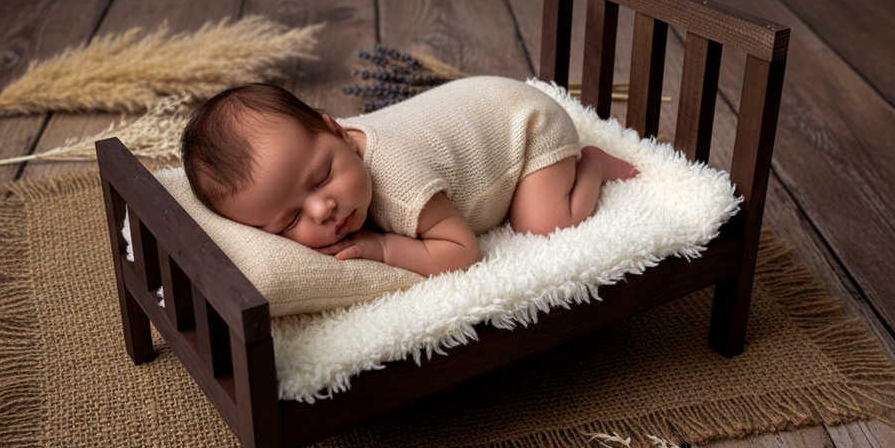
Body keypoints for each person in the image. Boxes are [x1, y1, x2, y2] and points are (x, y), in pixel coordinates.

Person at [180, 76, 638, 277]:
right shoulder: (330, 150)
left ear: (337, 128)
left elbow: (464, 252)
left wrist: (384, 247)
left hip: (526, 125)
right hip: (482, 103)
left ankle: (592, 163)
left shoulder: (400, 186)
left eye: (321, 178)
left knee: (542, 226)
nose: (323, 209)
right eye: (287, 221)